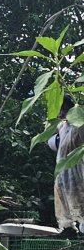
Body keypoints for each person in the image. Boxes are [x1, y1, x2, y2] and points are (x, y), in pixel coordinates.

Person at [47, 95, 84, 233]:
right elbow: (51, 139)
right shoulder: (62, 126)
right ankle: (68, 228)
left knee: (80, 201)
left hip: (77, 170)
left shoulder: (78, 124)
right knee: (64, 201)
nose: (60, 114)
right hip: (62, 172)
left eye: (63, 110)